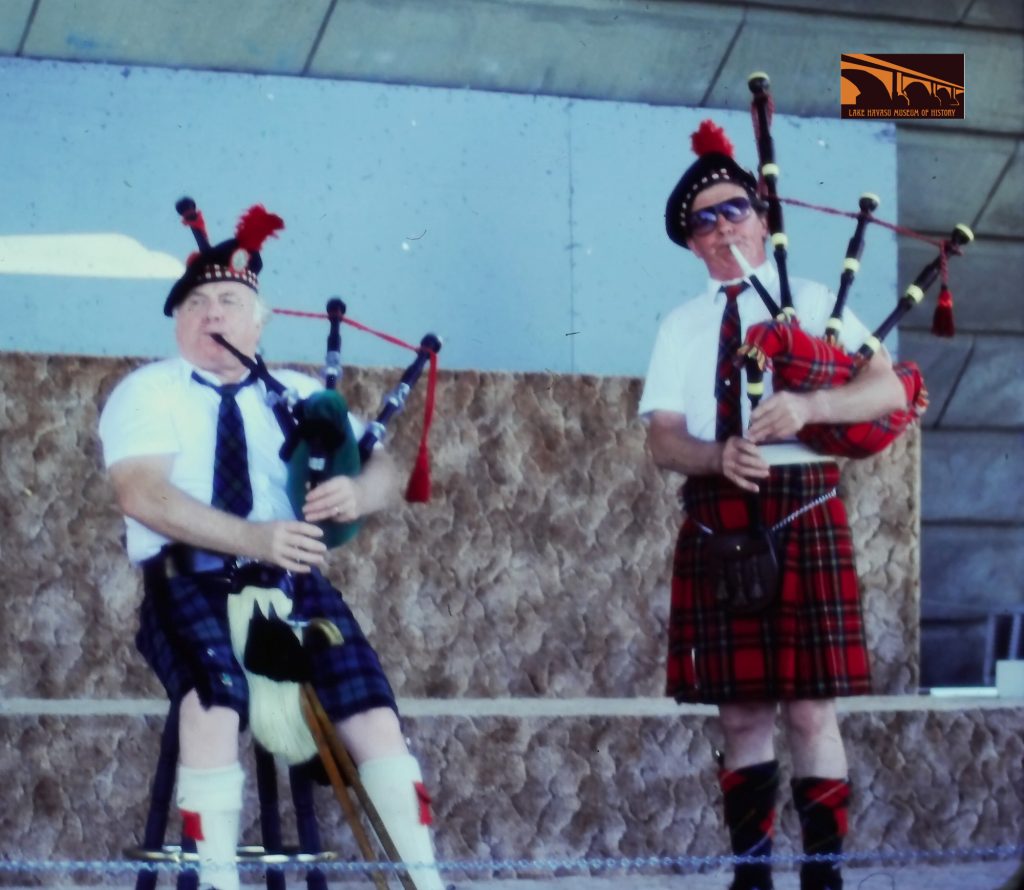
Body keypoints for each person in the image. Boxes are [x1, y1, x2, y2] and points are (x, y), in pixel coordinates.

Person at [98, 199, 446, 890]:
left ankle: (426, 882)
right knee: (213, 702)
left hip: (293, 589)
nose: (211, 316)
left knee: (371, 711)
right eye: (194, 304)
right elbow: (143, 495)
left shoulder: (296, 392)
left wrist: (357, 491)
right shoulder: (147, 391)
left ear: (262, 321)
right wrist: (252, 536)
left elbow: (386, 468)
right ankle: (218, 884)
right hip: (187, 582)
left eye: (228, 300)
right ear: (176, 323)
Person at [638, 121, 907, 890]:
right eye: (704, 221)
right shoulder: (681, 327)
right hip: (718, 516)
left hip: (802, 505)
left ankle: (823, 880)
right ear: (692, 243)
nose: (722, 229)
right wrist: (716, 454)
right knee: (742, 716)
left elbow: (888, 388)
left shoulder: (816, 303)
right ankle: (750, 879)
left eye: (734, 212)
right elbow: (661, 440)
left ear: (762, 220)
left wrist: (810, 411)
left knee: (811, 712)